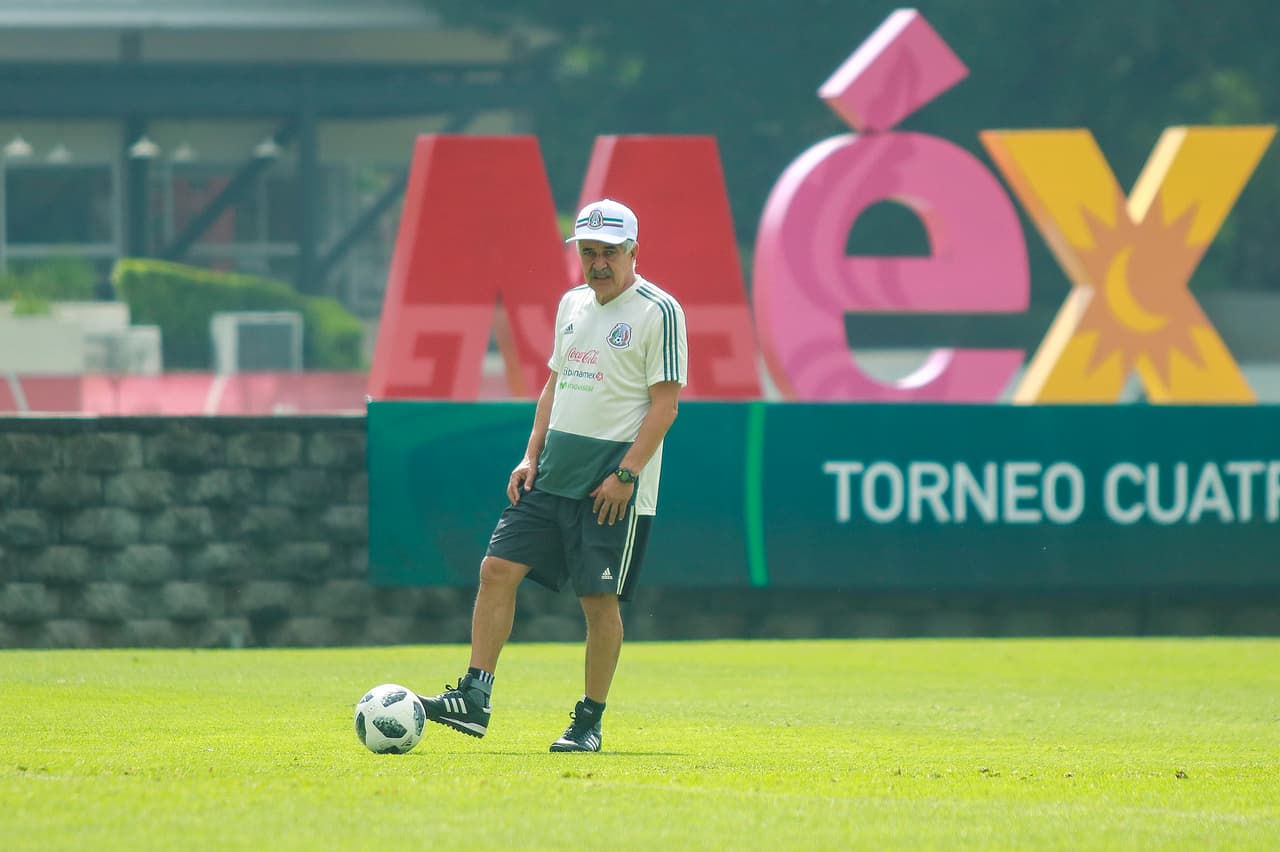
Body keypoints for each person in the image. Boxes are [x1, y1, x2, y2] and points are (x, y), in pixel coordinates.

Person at [417, 198, 688, 752]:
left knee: (598, 603)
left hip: (611, 489)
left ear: (633, 250)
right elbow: (553, 387)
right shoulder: (572, 304)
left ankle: (588, 722)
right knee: (496, 570)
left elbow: (666, 406)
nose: (598, 263)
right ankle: (474, 697)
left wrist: (626, 476)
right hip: (551, 476)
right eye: (589, 252)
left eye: (609, 252)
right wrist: (529, 456)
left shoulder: (659, 311)